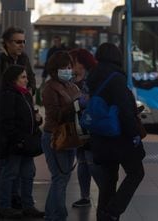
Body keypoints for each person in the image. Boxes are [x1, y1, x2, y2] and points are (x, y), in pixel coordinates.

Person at [86, 42, 145, 221]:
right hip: (119, 136)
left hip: (100, 135)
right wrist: (134, 133)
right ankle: (113, 211)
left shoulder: (93, 77)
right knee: (136, 173)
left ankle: (104, 216)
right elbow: (125, 110)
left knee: (109, 180)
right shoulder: (116, 78)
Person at [0, 65, 44, 219]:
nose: (27, 80)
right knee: (10, 173)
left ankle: (28, 205)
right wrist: (19, 139)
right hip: (16, 144)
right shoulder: (9, 95)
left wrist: (38, 120)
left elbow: (29, 117)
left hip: (26, 143)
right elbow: (7, 122)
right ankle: (4, 206)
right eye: (23, 77)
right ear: (14, 80)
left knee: (28, 174)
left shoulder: (25, 94)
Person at [41, 51, 81, 221]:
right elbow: (54, 114)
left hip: (71, 135)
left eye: (69, 67)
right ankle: (57, 215)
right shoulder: (50, 87)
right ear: (55, 69)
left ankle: (52, 214)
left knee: (63, 177)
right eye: (64, 67)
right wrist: (74, 106)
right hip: (55, 135)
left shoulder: (72, 86)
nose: (68, 70)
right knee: (60, 177)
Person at [68, 48, 99, 208]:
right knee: (81, 161)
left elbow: (87, 101)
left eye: (73, 62)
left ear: (81, 63)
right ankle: (84, 196)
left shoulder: (91, 78)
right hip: (76, 127)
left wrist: (77, 99)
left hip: (89, 125)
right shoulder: (71, 78)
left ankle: (104, 193)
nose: (70, 65)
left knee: (90, 161)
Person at [0, 26, 36, 94]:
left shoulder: (23, 57)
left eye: (24, 42)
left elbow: (31, 76)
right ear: (7, 43)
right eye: (18, 42)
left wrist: (31, 89)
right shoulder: (1, 59)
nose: (22, 45)